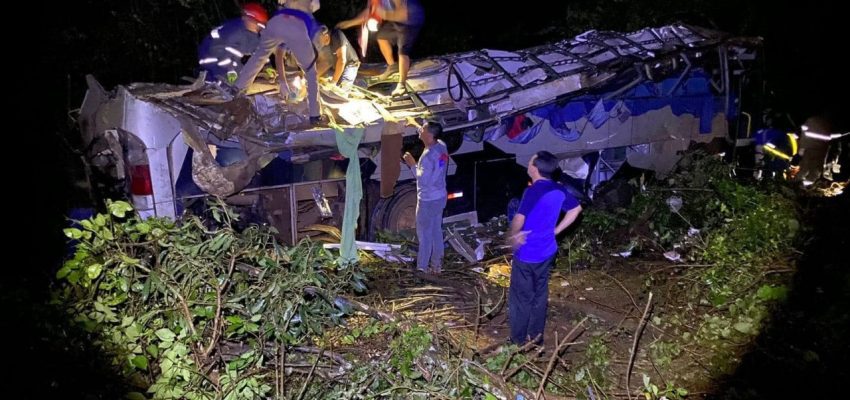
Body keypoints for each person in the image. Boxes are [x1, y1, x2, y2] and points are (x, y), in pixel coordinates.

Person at [508, 151, 582, 345]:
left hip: (528, 253)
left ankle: (517, 341)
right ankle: (536, 336)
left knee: (521, 298)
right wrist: (556, 231)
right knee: (540, 294)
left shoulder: (533, 191)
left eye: (531, 160)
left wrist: (512, 236)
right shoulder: (559, 189)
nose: (528, 162)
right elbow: (576, 209)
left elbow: (519, 218)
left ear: (536, 168)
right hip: (547, 251)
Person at [234, 0, 327, 126]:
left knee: (259, 56)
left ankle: (237, 89)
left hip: (276, 21)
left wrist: (283, 82)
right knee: (310, 71)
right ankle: (315, 115)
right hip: (296, 25)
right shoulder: (310, 16)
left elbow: (279, 53)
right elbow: (317, 31)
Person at [336, 0, 424, 96]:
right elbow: (369, 13)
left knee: (402, 51)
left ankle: (401, 85)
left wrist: (384, 14)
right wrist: (349, 23)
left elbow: (403, 15)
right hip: (395, 21)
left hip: (410, 20)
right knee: (382, 37)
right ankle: (393, 66)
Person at [403, 121, 448, 274]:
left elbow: (422, 179)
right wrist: (414, 125)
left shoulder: (428, 157)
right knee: (436, 231)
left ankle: (422, 268)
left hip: (427, 201)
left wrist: (412, 164)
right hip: (440, 197)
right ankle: (437, 265)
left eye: (422, 129)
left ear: (429, 135)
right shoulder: (441, 145)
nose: (420, 130)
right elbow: (429, 132)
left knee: (424, 235)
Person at [197, 3, 269, 83]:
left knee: (242, 76)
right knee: (228, 81)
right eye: (258, 25)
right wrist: (230, 70)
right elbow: (223, 52)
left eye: (261, 27)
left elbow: (259, 52)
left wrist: (267, 66)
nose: (258, 28)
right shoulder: (234, 31)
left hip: (230, 60)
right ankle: (212, 84)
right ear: (248, 19)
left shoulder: (251, 34)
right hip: (213, 56)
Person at [315, 26, 361, 90]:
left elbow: (342, 60)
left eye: (319, 41)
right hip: (335, 66)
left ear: (326, 36)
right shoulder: (320, 43)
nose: (319, 44)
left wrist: (333, 81)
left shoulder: (337, 35)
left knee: (342, 91)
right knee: (321, 86)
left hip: (350, 65)